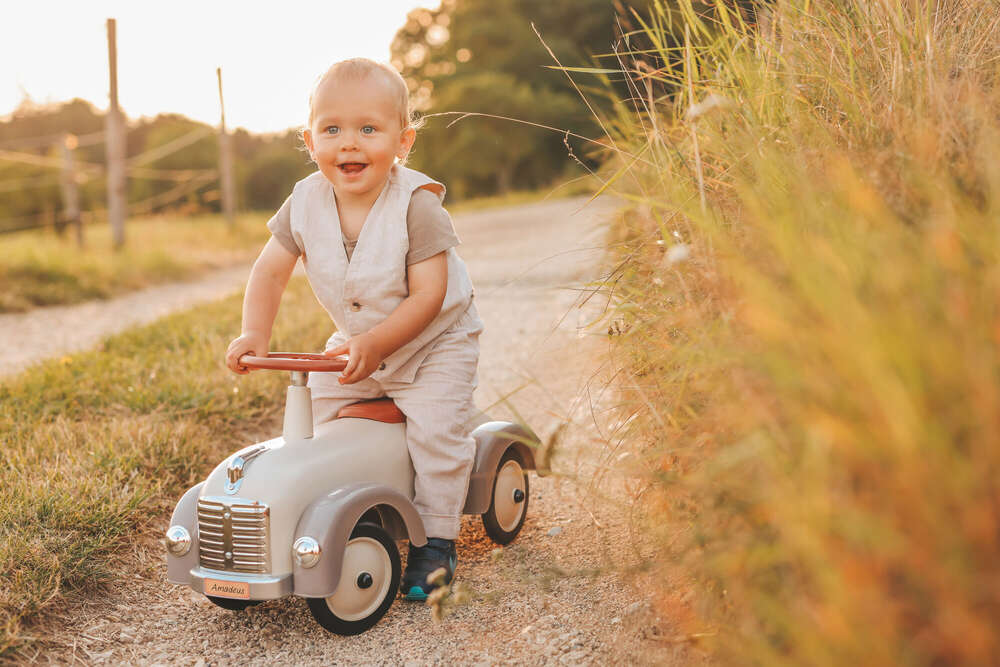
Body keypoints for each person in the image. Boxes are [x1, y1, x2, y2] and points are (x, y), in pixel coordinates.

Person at [225, 58, 484, 600]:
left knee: (438, 432)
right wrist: (254, 333)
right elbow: (270, 271)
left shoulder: (417, 205)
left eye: (369, 129)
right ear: (310, 139)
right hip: (359, 339)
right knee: (322, 410)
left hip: (435, 341)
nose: (350, 144)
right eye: (333, 129)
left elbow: (430, 296)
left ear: (402, 141)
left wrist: (379, 344)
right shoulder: (303, 202)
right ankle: (335, 505)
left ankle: (436, 540)